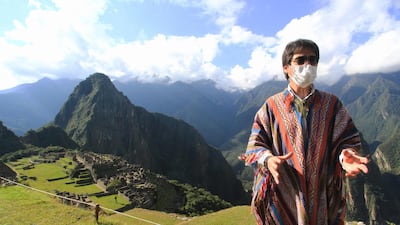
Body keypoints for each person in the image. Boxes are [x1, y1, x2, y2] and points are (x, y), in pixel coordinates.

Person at [240, 38, 369, 225]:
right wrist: (268, 159)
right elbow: (255, 145)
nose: (307, 65)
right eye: (300, 60)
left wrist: (345, 155)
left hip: (323, 195)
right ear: (286, 67)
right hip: (284, 194)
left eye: (312, 60)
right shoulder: (271, 107)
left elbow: (346, 138)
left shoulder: (332, 105)